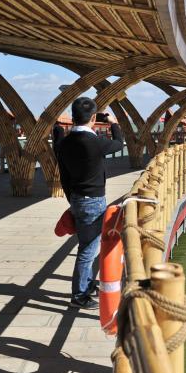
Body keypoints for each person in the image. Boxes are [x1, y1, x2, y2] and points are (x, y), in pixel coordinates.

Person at [55, 97, 125, 309]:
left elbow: (64, 177)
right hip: (92, 201)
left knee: (88, 245)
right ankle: (79, 294)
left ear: (73, 117)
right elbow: (119, 143)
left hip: (77, 198)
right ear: (93, 118)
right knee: (88, 249)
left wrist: (72, 199)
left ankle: (86, 285)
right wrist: (114, 123)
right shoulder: (94, 142)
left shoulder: (64, 143)